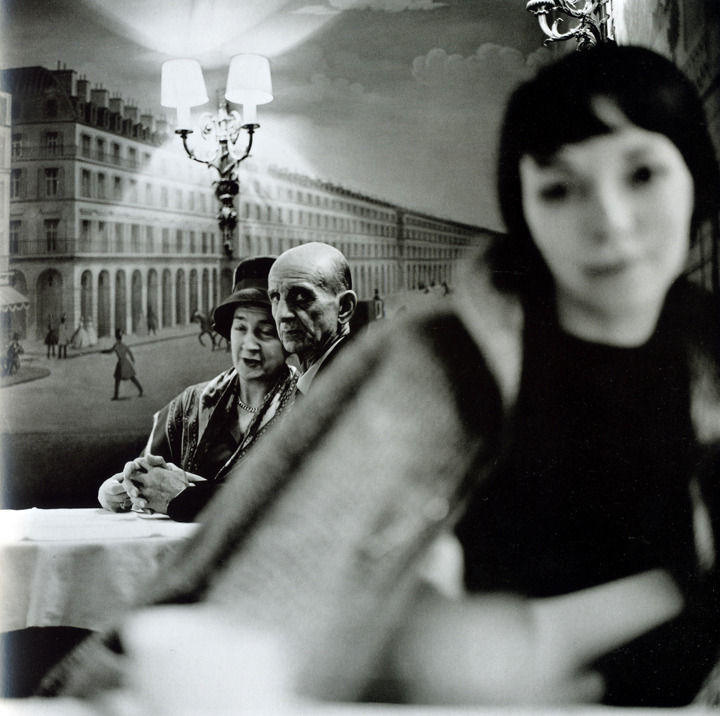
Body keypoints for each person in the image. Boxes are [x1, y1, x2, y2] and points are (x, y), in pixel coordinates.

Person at [36, 46, 720, 708]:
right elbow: (268, 571)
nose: (608, 221)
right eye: (559, 187)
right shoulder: (433, 362)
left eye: (642, 175)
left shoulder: (703, 364)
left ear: (696, 179)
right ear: (525, 210)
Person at [97, 257, 298, 522]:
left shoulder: (305, 405)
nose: (249, 344)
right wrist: (119, 489)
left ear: (287, 339)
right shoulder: (192, 402)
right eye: (240, 328)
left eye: (266, 332)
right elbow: (145, 475)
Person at [267, 242, 357, 395]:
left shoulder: (353, 385)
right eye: (275, 297)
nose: (282, 315)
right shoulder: (321, 378)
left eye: (301, 297)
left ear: (344, 308)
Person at [102, 329, 143, 400]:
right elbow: (130, 352)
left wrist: (103, 351)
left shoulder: (116, 346)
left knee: (117, 379)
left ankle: (116, 395)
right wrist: (132, 359)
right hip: (127, 363)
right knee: (132, 377)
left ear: (116, 338)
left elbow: (110, 351)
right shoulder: (124, 345)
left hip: (121, 364)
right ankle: (140, 389)